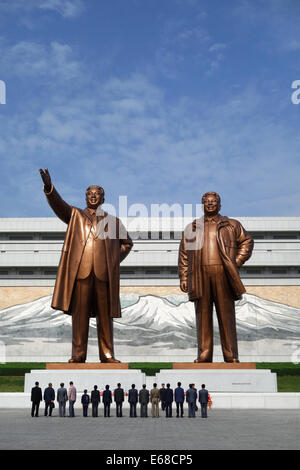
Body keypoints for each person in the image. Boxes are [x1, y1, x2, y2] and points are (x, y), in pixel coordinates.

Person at [39, 168, 133, 363]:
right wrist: (49, 188)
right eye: (89, 194)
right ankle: (78, 354)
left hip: (103, 275)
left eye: (97, 194)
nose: (93, 196)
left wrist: (112, 261)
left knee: (105, 317)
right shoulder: (75, 215)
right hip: (81, 273)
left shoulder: (113, 221)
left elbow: (127, 243)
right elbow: (59, 205)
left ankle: (107, 355)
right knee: (79, 316)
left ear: (103, 198)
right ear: (85, 197)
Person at [179, 191, 254, 363]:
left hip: (223, 274)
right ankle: (204, 354)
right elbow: (184, 253)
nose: (211, 204)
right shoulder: (193, 227)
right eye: (207, 202)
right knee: (203, 316)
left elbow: (247, 242)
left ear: (220, 205)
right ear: (203, 205)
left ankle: (231, 355)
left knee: (226, 316)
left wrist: (236, 261)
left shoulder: (231, 224)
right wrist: (184, 277)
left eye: (214, 202)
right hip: (199, 275)